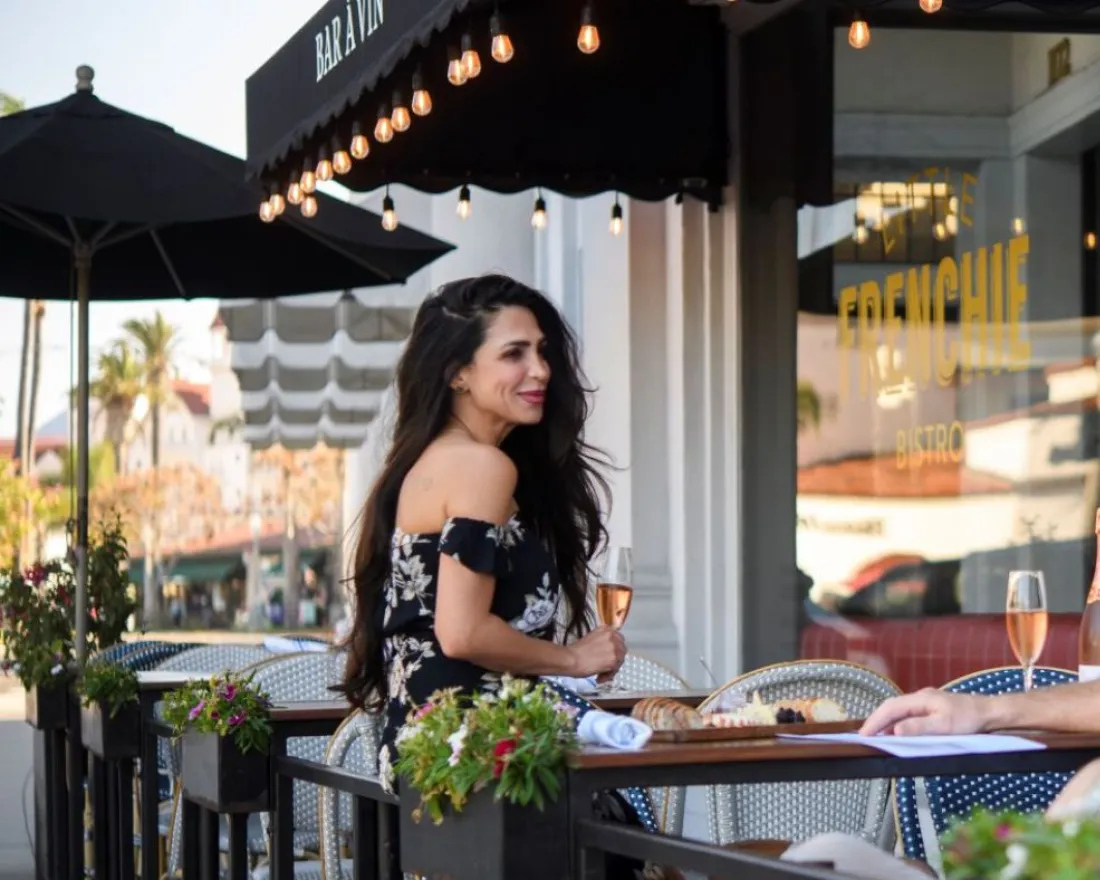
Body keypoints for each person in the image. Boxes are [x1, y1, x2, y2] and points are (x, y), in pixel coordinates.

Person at [337, 275, 658, 878]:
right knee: (627, 845)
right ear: (458, 373)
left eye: (542, 351)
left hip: (436, 758)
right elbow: (460, 633)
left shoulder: (431, 461)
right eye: (514, 353)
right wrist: (573, 659)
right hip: (478, 762)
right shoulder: (480, 467)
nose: (540, 370)